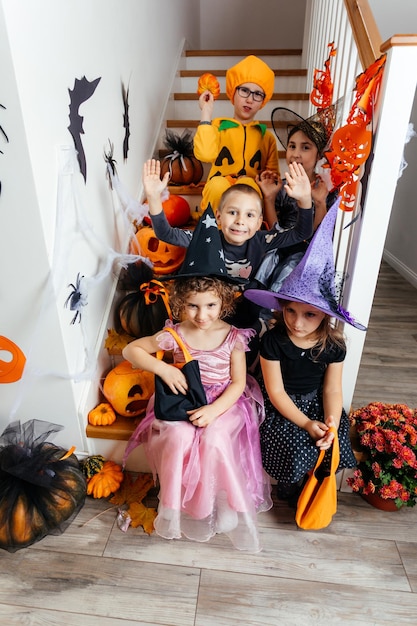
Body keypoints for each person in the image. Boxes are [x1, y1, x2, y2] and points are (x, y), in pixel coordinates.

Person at [122, 205, 272, 552]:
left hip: (224, 404)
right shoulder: (175, 333)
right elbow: (132, 351)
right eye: (192, 306)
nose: (201, 315)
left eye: (209, 306)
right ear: (178, 303)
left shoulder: (234, 336)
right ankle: (172, 507)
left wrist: (214, 411)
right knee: (176, 435)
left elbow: (237, 384)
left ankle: (223, 505)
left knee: (215, 436)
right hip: (184, 400)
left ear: (224, 302)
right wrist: (164, 368)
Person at [244, 199, 366, 506]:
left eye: (309, 315)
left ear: (325, 316)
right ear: (282, 307)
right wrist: (306, 424)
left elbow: (332, 389)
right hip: (283, 407)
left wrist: (330, 422)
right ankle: (289, 485)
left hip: (315, 403)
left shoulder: (333, 346)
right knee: (295, 442)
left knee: (327, 440)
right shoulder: (274, 341)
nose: (297, 323)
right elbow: (276, 393)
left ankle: (313, 482)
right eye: (291, 311)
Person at [143, 158, 313, 365]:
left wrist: (305, 200)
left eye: (249, 215)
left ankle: (245, 370)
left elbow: (301, 233)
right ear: (218, 216)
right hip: (209, 307)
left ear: (259, 222)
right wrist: (153, 197)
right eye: (233, 212)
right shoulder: (206, 238)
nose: (240, 220)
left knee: (248, 333)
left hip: (242, 309)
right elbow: (165, 233)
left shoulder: (262, 239)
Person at [255, 105, 340, 293]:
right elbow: (274, 230)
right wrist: (269, 197)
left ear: (318, 154)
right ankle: (257, 304)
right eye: (292, 146)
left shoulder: (324, 190)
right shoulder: (283, 187)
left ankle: (278, 304)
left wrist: (319, 202)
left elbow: (319, 239)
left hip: (305, 252)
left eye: (305, 147)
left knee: (290, 266)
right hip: (280, 244)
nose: (296, 153)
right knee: (268, 257)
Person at [193, 54, 279, 213]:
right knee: (217, 185)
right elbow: (204, 154)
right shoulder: (218, 126)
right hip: (219, 187)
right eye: (244, 91)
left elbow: (273, 177)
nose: (250, 99)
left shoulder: (266, 138)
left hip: (250, 188)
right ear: (233, 92)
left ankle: (244, 234)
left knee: (248, 188)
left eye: (257, 94)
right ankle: (212, 230)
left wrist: (268, 178)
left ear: (263, 102)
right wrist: (206, 112)